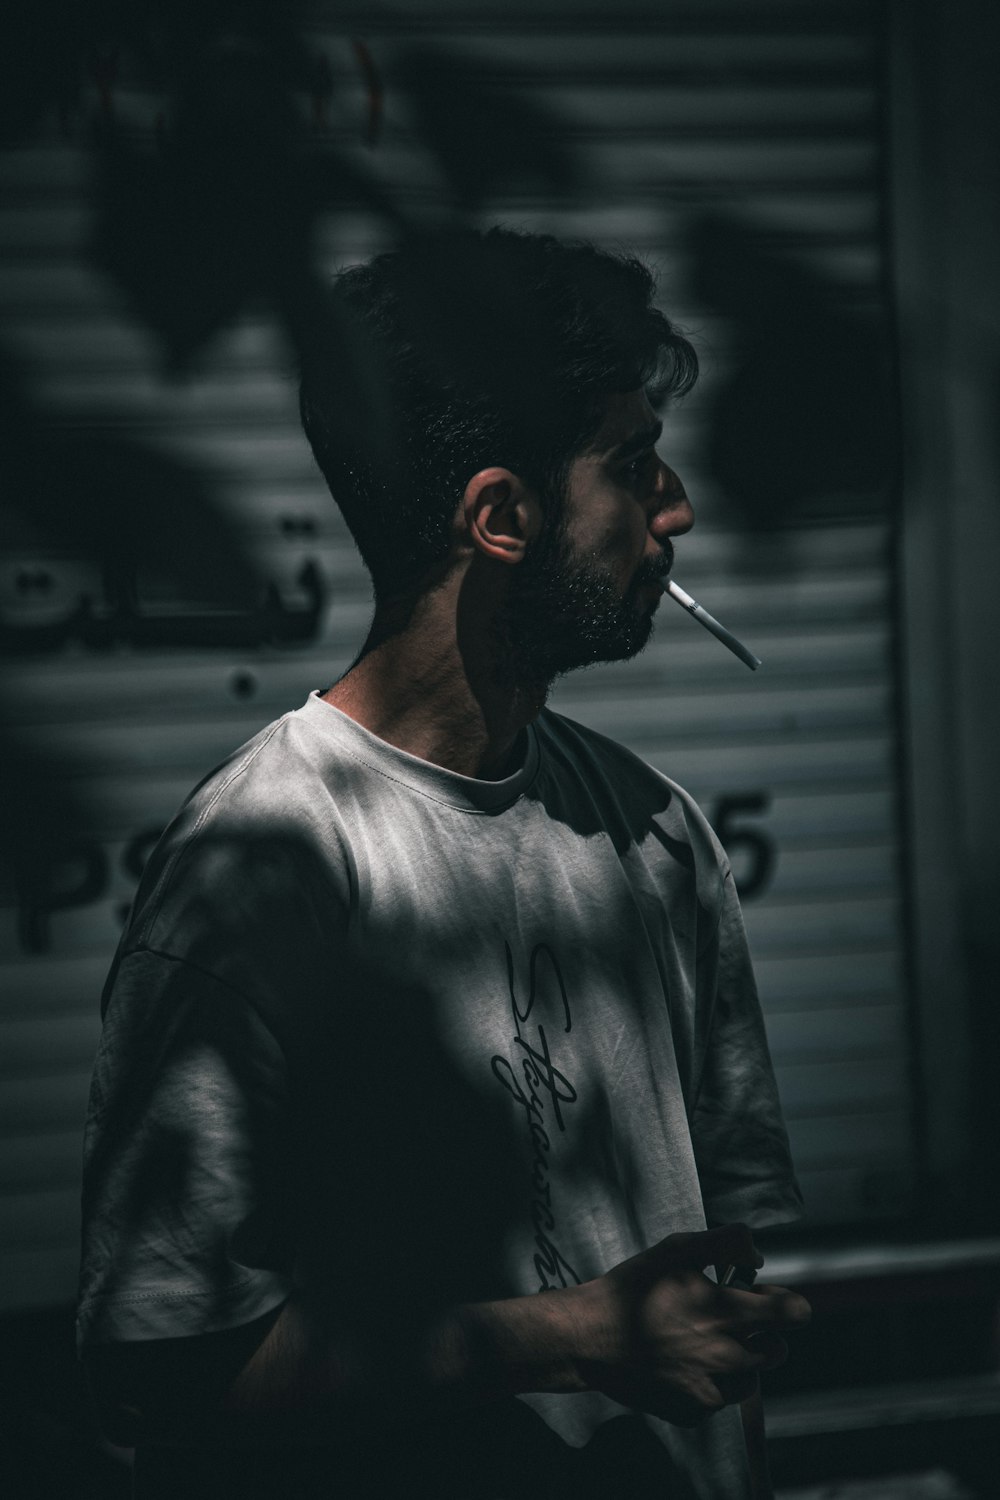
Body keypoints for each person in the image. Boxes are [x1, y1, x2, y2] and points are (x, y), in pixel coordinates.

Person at [77, 228, 810, 1500]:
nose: (674, 509)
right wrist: (580, 1336)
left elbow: (728, 1268)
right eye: (633, 467)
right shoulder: (266, 875)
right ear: (501, 516)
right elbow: (165, 1360)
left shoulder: (655, 832)